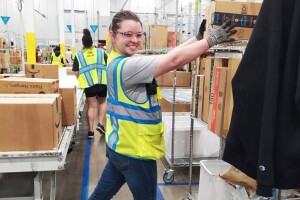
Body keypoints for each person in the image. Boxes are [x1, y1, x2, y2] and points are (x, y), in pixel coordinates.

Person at [89, 10, 236, 200]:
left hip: (119, 148)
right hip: (137, 152)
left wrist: (197, 38)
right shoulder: (127, 67)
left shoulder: (118, 61)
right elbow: (173, 61)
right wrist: (210, 41)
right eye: (127, 34)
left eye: (138, 35)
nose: (134, 40)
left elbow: (168, 55)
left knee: (99, 196)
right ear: (112, 35)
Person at [72, 29, 108, 139]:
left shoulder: (79, 55)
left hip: (89, 84)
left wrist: (82, 80)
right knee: (102, 103)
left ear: (83, 43)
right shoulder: (102, 52)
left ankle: (91, 132)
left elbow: (76, 72)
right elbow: (109, 65)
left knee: (91, 107)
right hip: (102, 82)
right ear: (92, 42)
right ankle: (101, 123)